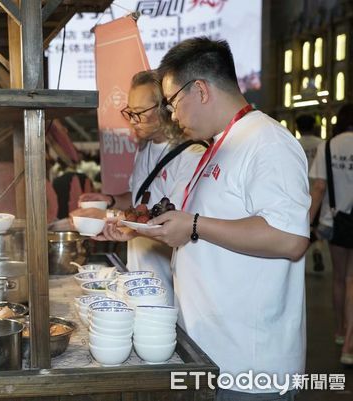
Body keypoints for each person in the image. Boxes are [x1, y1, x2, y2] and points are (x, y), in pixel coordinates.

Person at [114, 38, 309, 398]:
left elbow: (290, 239)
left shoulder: (267, 142)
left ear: (200, 89)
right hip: (209, 352)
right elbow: (209, 228)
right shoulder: (221, 144)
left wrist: (193, 225)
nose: (172, 115)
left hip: (249, 363)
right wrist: (161, 229)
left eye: (172, 102)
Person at [78, 70, 205, 301]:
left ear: (165, 108)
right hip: (139, 277)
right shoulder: (144, 147)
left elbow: (178, 224)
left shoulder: (192, 155)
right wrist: (112, 201)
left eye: (140, 113)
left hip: (171, 286)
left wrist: (122, 223)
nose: (132, 121)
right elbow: (141, 202)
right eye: (130, 112)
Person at [309, 103, 353, 365]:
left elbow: (319, 187)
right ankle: (350, 342)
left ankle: (339, 331)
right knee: (352, 279)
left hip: (336, 222)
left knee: (338, 277)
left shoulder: (328, 146)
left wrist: (305, 225)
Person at [296, 114, 326, 273]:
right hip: (317, 191)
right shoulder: (322, 144)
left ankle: (301, 253)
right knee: (317, 224)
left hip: (299, 192)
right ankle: (317, 250)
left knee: (303, 224)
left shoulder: (294, 143)